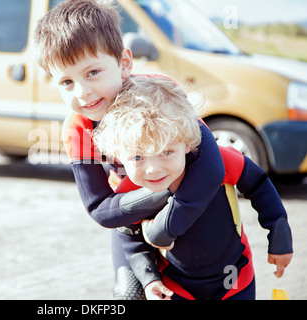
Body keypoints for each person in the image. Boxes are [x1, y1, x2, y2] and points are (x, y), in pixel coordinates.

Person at [34, 0, 225, 299]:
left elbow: (211, 167)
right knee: (127, 294)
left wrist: (168, 225)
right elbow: (100, 209)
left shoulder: (161, 94)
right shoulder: (77, 128)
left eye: (93, 72)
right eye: (66, 81)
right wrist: (163, 195)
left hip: (196, 213)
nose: (82, 91)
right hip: (131, 226)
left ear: (124, 63)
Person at [93, 76, 294, 300]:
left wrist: (279, 234)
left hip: (234, 278)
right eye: (138, 157)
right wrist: (150, 280)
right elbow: (132, 243)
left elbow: (259, 184)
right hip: (176, 286)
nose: (153, 169)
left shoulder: (219, 161)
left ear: (187, 140)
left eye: (166, 152)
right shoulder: (128, 194)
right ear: (118, 155)